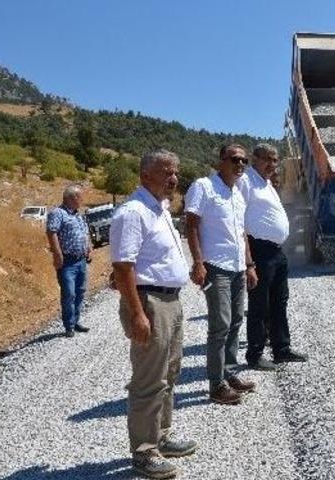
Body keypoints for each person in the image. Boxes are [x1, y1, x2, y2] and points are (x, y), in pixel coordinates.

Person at [110, 149, 197, 479]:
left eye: (175, 172)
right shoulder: (133, 211)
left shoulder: (158, 209)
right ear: (146, 175)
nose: (173, 178)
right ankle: (144, 451)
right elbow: (123, 266)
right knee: (149, 379)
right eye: (166, 172)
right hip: (150, 303)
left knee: (170, 373)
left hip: (170, 301)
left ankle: (161, 436)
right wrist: (137, 314)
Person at [184, 143, 257, 405]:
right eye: (235, 159)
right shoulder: (203, 187)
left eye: (244, 161)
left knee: (236, 320)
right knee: (220, 325)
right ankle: (216, 385)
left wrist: (249, 265)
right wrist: (198, 262)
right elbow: (190, 224)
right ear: (220, 161)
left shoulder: (238, 193)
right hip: (215, 266)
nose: (240, 165)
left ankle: (229, 372)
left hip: (237, 267)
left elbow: (242, 232)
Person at [238, 143, 307, 370]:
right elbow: (238, 220)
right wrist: (249, 261)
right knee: (259, 304)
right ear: (254, 158)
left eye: (275, 160)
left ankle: (281, 349)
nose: (272, 164)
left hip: (277, 251)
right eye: (267, 159)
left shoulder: (266, 183)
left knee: (280, 302)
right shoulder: (246, 182)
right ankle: (255, 354)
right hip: (259, 250)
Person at [46, 184, 92, 338]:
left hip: (81, 260)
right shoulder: (58, 213)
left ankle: (76, 321)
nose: (82, 200)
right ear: (72, 198)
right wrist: (57, 255)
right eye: (80, 197)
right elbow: (51, 232)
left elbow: (85, 233)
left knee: (80, 292)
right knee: (69, 294)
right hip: (67, 262)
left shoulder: (78, 215)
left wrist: (89, 248)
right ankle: (69, 325)